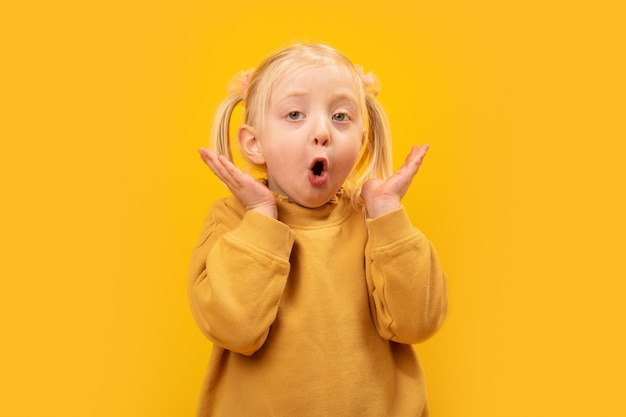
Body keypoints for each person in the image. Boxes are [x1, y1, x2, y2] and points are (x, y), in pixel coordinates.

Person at [188, 43, 448, 417]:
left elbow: (418, 323)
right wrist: (261, 216)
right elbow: (234, 328)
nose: (323, 131)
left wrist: (388, 212)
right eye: (295, 114)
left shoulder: (375, 221)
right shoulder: (233, 221)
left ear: (361, 142)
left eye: (341, 116)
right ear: (254, 143)